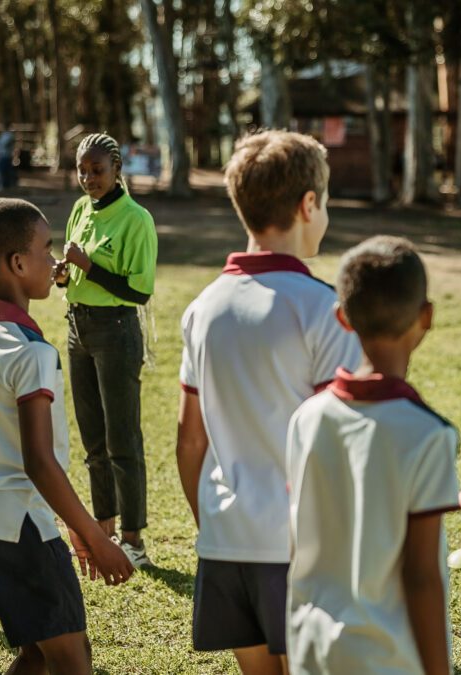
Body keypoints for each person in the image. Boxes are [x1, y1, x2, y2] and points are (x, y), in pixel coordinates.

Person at [175, 130, 361, 675]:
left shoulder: (202, 308)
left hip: (226, 540)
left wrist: (210, 522)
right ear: (309, 205)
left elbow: (189, 441)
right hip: (300, 545)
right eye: (324, 203)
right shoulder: (325, 309)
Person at [0, 198, 133, 674]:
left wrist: (60, 521)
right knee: (72, 659)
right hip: (14, 525)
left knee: (37, 656)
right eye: (47, 250)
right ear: (18, 263)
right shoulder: (30, 351)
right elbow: (38, 461)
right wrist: (94, 534)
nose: (56, 261)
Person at [286, 236, 460, 675]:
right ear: (427, 316)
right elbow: (421, 576)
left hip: (311, 646)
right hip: (387, 658)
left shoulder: (305, 418)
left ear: (341, 317)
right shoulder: (428, 434)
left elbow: (295, 545)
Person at [54, 132, 157, 569]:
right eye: (82, 170)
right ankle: (105, 529)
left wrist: (87, 266)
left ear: (117, 169)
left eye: (97, 170)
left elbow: (138, 292)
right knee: (93, 439)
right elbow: (72, 273)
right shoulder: (79, 209)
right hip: (78, 328)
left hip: (117, 331)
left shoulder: (136, 219)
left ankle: (134, 540)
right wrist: (63, 275)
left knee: (122, 439)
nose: (88, 178)